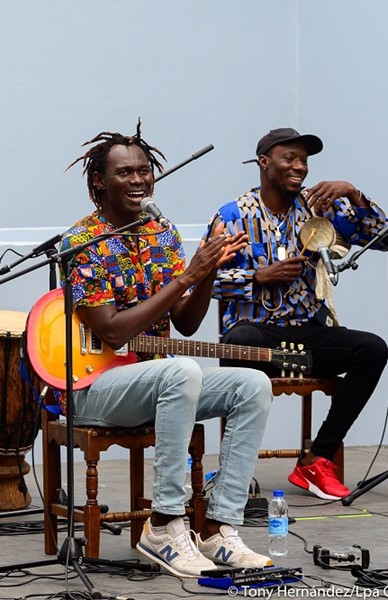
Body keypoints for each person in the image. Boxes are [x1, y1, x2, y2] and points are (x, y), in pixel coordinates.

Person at [59, 126, 273, 578]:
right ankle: (164, 524)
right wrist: (187, 275)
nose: (139, 180)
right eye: (125, 172)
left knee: (252, 383)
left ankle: (219, 527)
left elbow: (186, 322)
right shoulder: (83, 243)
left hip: (160, 379)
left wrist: (208, 272)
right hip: (93, 386)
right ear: (99, 180)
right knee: (181, 371)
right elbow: (113, 332)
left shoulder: (164, 234)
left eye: (144, 171)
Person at [206, 128, 388, 501]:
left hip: (306, 335)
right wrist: (258, 277)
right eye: (289, 158)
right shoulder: (233, 215)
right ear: (264, 162)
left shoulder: (317, 208)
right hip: (256, 336)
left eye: (304, 160)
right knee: (239, 339)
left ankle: (317, 459)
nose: (300, 167)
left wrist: (353, 194)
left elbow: (383, 237)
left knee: (372, 348)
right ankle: (233, 468)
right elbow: (201, 284)